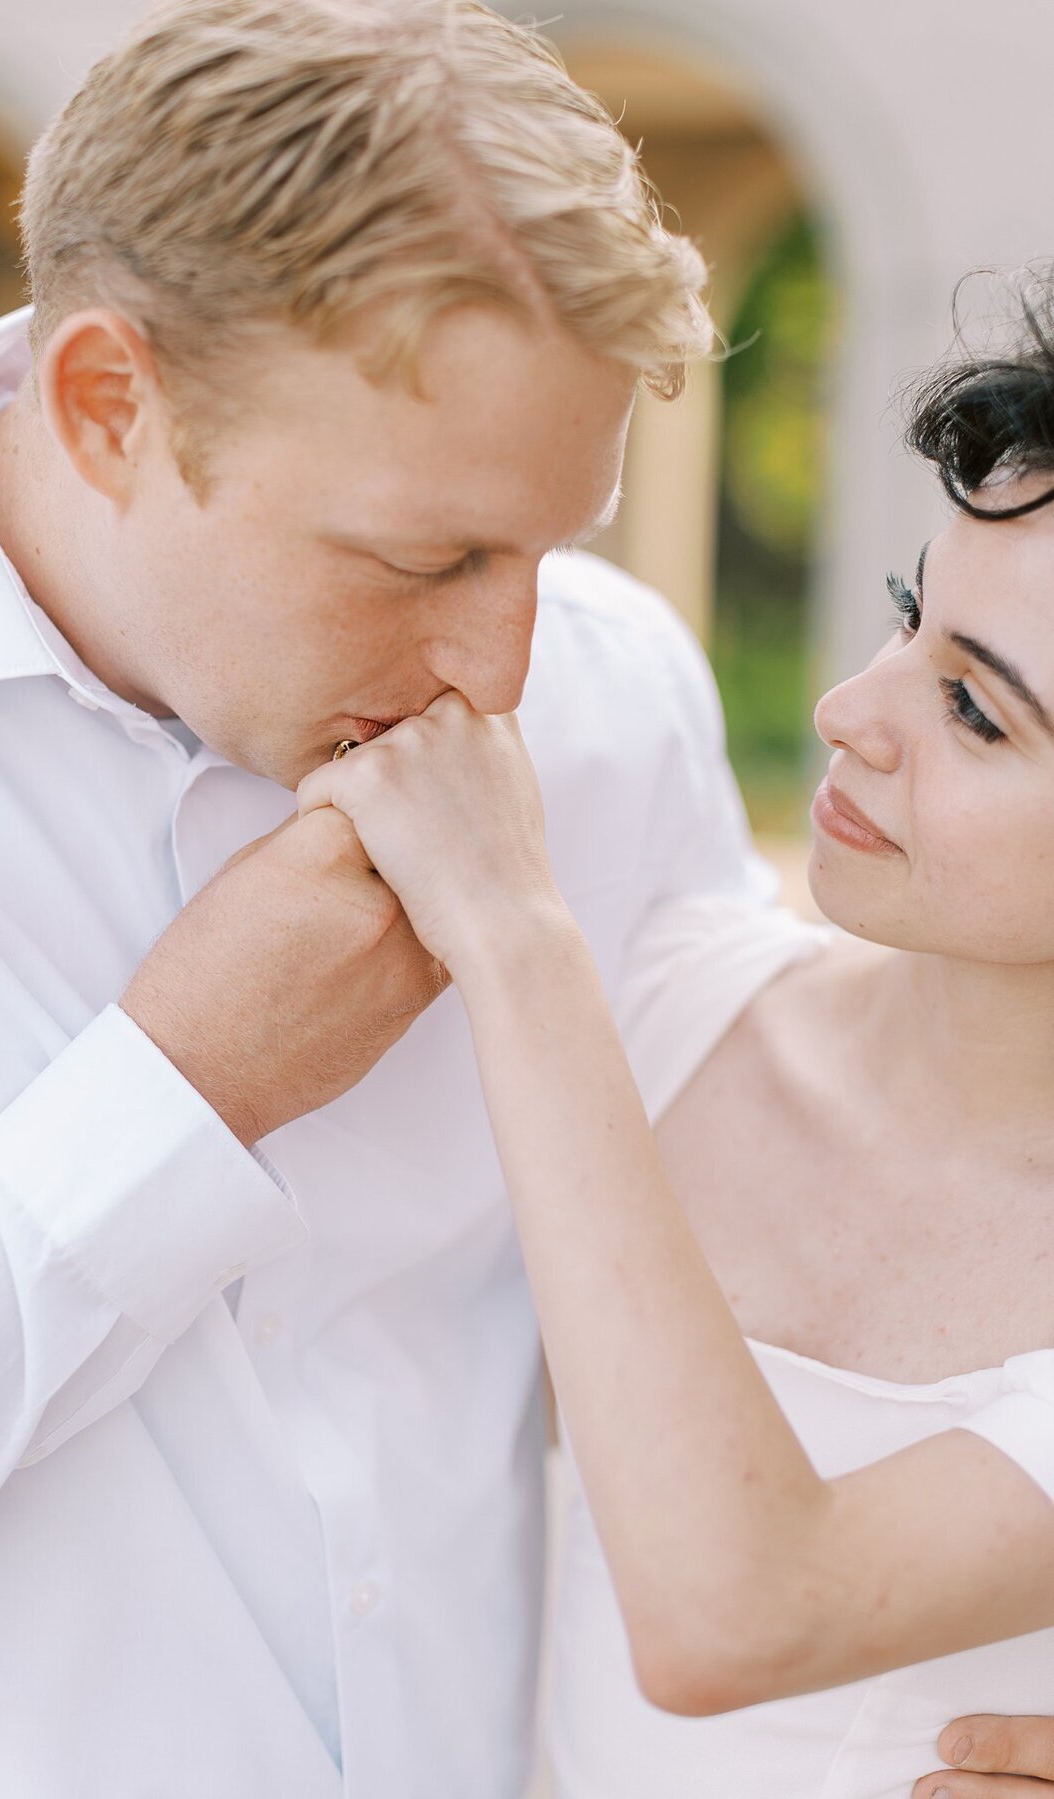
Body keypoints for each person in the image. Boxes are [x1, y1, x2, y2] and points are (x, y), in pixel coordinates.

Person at [0, 2, 766, 1793]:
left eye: (550, 549)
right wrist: (181, 1090)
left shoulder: (620, 694)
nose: (503, 669)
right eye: (424, 559)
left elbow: (766, 1316)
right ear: (112, 404)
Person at [301, 275, 1054, 1799]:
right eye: (914, 619)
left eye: (980, 715)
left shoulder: (570, 993)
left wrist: (513, 935)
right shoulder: (672, 1004)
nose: (851, 707)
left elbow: (733, 1616)